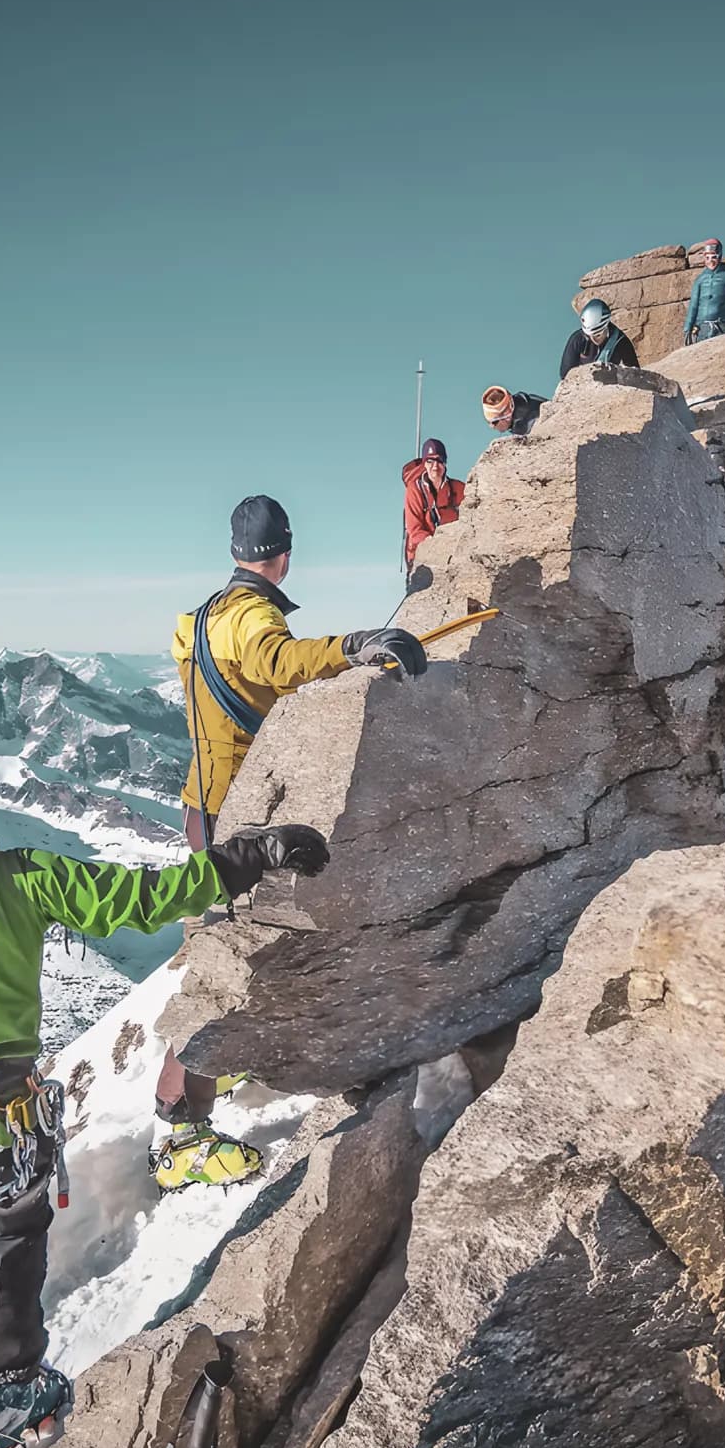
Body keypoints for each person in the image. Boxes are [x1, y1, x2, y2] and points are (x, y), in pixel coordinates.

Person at [0, 719, 330, 1448]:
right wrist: (249, 855)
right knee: (16, 1232)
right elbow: (144, 900)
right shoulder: (24, 876)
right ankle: (12, 1387)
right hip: (4, 1126)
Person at [157, 493, 426, 1188]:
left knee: (223, 955)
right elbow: (278, 662)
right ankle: (179, 1132)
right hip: (234, 812)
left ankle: (206, 1079)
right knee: (217, 974)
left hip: (204, 802)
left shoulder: (207, 613)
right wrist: (351, 647)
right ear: (284, 554)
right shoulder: (251, 616)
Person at [403, 437, 465, 569]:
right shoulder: (414, 490)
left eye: (439, 461)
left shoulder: (459, 488)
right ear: (424, 464)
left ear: (445, 463)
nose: (435, 467)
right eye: (430, 461)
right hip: (421, 554)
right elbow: (414, 530)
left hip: (453, 553)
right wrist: (437, 545)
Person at [558, 298, 639, 379]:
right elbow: (565, 374)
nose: (593, 339)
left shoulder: (621, 342)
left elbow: (635, 373)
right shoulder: (578, 340)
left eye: (598, 335)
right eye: (590, 335)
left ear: (606, 326)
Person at [683, 237, 725, 343]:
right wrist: (688, 327)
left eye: (713, 257)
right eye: (708, 257)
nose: (711, 261)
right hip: (702, 329)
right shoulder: (700, 279)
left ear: (719, 256)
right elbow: (693, 305)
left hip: (723, 327)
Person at [481, 383, 547, 438]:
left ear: (507, 416)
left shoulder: (527, 426)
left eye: (494, 422)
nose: (491, 427)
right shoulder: (526, 402)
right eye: (488, 422)